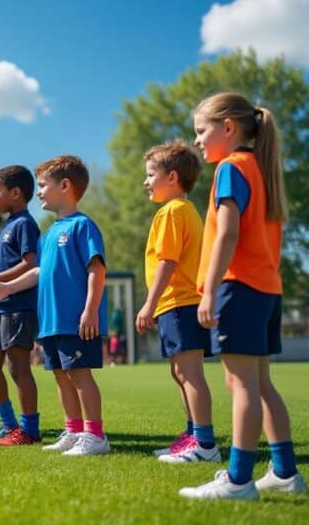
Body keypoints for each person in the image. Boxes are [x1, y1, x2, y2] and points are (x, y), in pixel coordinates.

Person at [179, 92, 306, 500]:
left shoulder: (232, 168)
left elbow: (228, 233)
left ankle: (238, 480)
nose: (197, 141)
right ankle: (285, 473)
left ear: (228, 127)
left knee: (241, 386)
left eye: (201, 131)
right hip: (266, 289)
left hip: (239, 287)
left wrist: (210, 290)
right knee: (261, 384)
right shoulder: (259, 168)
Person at [0, 155, 110, 456]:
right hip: (51, 321)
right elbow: (38, 272)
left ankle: (96, 435)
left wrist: (90, 310)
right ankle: (74, 430)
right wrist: (7, 288)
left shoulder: (83, 226)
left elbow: (96, 269)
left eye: (43, 186)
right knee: (60, 376)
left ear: (65, 186)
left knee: (79, 375)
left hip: (75, 320)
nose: (38, 192)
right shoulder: (50, 232)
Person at [135, 140, 218, 463]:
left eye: (150, 174)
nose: (146, 181)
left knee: (190, 374)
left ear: (172, 178)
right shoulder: (182, 210)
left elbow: (168, 262)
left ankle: (206, 444)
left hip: (180, 302)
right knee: (180, 373)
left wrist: (148, 304)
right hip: (176, 304)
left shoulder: (172, 212)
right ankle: (192, 435)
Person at [0, 165, 41, 446]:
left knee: (18, 368)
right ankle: (9, 425)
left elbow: (30, 263)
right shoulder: (8, 223)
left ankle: (28, 430)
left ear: (16, 193)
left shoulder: (25, 224)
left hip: (19, 306)